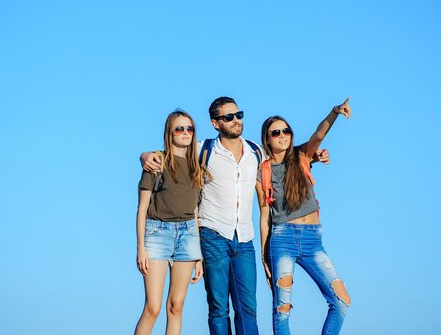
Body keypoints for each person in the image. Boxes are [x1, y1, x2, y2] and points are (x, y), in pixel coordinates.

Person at [141, 97, 330, 335]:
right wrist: (145, 155)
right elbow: (173, 150)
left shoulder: (255, 151)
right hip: (212, 236)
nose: (236, 120)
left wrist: (315, 156)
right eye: (228, 117)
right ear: (215, 123)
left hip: (244, 239)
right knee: (219, 309)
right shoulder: (203, 149)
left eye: (238, 115)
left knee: (248, 308)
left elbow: (285, 154)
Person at [256, 98, 352, 335]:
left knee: (341, 301)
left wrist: (334, 112)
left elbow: (318, 136)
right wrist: (264, 256)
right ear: (267, 139)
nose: (282, 135)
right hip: (282, 239)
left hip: (312, 240)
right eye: (275, 132)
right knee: (282, 309)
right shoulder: (262, 171)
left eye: (286, 130)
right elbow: (264, 215)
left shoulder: (302, 156)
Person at [134, 110, 204, 335]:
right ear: (169, 133)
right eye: (179, 129)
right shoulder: (156, 162)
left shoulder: (197, 168)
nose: (185, 133)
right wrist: (141, 248)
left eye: (190, 129)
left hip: (188, 235)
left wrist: (198, 255)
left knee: (176, 306)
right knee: (152, 308)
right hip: (157, 233)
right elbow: (142, 208)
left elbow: (195, 211)